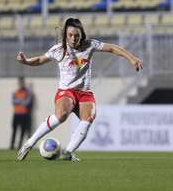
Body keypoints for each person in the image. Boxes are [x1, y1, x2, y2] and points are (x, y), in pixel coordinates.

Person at [16, 17, 143, 162]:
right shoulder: (59, 50)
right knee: (62, 115)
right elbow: (39, 60)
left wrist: (131, 58)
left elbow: (113, 48)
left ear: (82, 35)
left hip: (84, 92)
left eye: (77, 35)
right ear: (65, 35)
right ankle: (29, 143)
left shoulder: (90, 45)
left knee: (88, 117)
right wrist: (25, 61)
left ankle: (68, 152)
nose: (73, 38)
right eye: (70, 35)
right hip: (66, 91)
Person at [10, 76, 34, 150]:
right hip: (16, 114)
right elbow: (13, 102)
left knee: (23, 131)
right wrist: (21, 101)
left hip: (24, 114)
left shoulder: (28, 93)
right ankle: (12, 145)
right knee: (14, 130)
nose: (21, 83)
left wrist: (19, 101)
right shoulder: (15, 92)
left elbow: (27, 103)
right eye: (20, 82)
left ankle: (19, 146)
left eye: (22, 82)